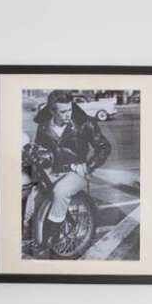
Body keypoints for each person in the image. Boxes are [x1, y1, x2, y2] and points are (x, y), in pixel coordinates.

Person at [21, 89, 110, 258]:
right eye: (63, 111)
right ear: (52, 111)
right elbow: (41, 147)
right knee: (27, 191)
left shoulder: (85, 124)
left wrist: (88, 166)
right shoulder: (44, 125)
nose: (68, 114)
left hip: (77, 172)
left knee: (60, 191)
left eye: (69, 109)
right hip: (50, 170)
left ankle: (50, 239)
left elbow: (104, 147)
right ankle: (25, 229)